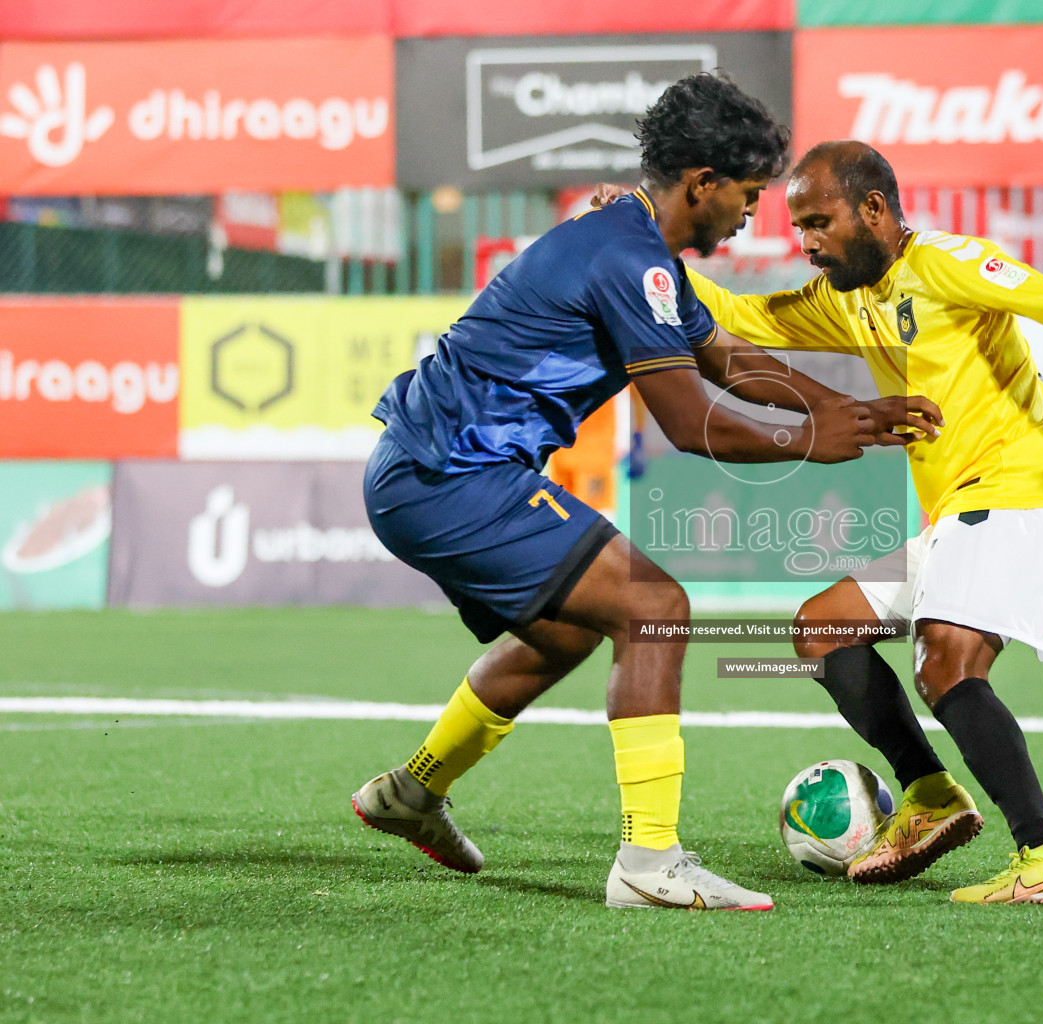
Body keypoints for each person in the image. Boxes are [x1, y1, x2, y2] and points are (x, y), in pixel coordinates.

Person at [350, 80, 937, 912]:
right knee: (653, 602)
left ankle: (413, 792)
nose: (750, 215)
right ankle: (648, 861)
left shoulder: (633, 244)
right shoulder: (627, 256)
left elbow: (724, 358)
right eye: (747, 195)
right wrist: (811, 440)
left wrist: (842, 411)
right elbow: (694, 422)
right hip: (451, 472)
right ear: (701, 183)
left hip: (431, 468)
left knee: (563, 634)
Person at [683, 141, 1043, 904]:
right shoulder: (845, 297)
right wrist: (648, 259)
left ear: (874, 209)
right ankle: (930, 797)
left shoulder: (944, 264)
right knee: (822, 629)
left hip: (1019, 497)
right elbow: (738, 312)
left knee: (947, 666)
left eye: (820, 221)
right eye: (800, 227)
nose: (809, 242)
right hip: (957, 514)